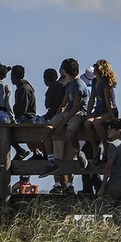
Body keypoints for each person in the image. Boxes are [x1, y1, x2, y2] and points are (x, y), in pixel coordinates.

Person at [41, 58, 89, 193]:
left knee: (70, 133)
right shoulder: (69, 84)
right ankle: (51, 162)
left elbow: (75, 107)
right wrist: (57, 117)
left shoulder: (79, 85)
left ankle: (79, 153)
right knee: (46, 131)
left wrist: (62, 124)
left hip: (78, 113)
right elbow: (64, 102)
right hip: (67, 112)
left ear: (64, 71)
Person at [97, 119, 121, 226]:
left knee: (100, 210)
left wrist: (103, 186)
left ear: (118, 131)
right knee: (117, 213)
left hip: (115, 184)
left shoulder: (113, 145)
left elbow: (109, 166)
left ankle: (97, 233)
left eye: (110, 129)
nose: (108, 131)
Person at [85, 59, 118, 166]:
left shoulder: (105, 83)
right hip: (98, 110)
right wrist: (88, 113)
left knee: (96, 122)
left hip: (108, 110)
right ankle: (95, 149)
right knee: (87, 123)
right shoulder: (95, 81)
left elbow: (109, 102)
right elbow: (91, 99)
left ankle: (105, 145)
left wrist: (113, 118)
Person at [11, 65, 38, 160]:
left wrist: (12, 117)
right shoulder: (22, 87)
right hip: (26, 116)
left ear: (15, 76)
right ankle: (31, 151)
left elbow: (22, 109)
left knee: (7, 129)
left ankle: (20, 150)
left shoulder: (23, 88)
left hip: (27, 117)